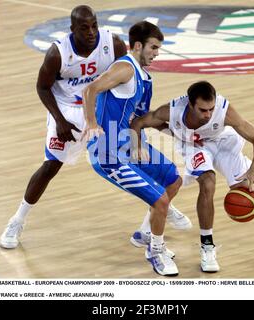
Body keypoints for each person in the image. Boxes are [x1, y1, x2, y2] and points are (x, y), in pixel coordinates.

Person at [0, 6, 190, 250]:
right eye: (84, 28)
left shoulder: (113, 44)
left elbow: (124, 76)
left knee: (126, 161)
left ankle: (161, 204)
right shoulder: (58, 53)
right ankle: (17, 220)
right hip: (67, 111)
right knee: (51, 166)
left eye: (94, 26)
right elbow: (43, 88)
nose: (91, 32)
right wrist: (59, 120)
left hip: (100, 111)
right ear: (72, 30)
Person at [131, 80, 254, 273]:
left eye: (211, 109)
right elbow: (139, 122)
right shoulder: (172, 111)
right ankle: (207, 246)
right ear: (190, 104)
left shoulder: (224, 110)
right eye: (203, 110)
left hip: (223, 143)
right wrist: (137, 146)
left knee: (245, 189)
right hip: (195, 147)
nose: (208, 114)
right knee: (207, 184)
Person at [82, 21, 185, 276]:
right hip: (108, 154)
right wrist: (92, 123)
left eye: (158, 48)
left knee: (173, 179)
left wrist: (171, 135)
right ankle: (156, 252)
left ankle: (144, 234)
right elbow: (90, 89)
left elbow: (138, 119)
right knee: (161, 200)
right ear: (138, 45)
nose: (157, 53)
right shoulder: (125, 69)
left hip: (127, 145)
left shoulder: (143, 77)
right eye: (153, 47)